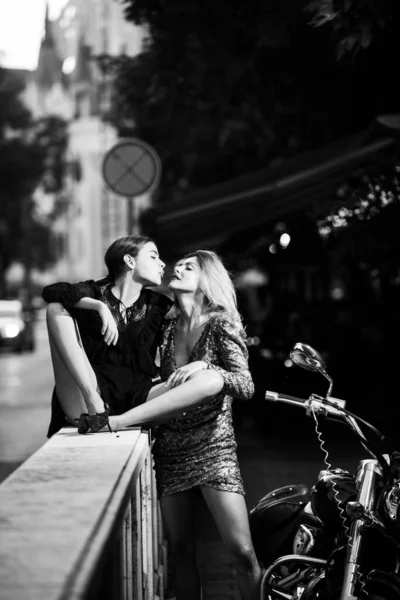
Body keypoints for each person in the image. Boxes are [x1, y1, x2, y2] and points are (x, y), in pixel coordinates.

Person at [91, 250, 262, 600]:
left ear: (205, 280)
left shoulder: (220, 322)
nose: (177, 269)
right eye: (178, 264)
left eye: (189, 267)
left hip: (214, 450)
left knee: (242, 552)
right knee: (181, 552)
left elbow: (246, 385)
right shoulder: (167, 324)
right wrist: (96, 308)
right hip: (171, 450)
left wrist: (205, 368)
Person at [42, 235, 223, 436]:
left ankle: (117, 421)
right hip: (90, 395)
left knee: (209, 379)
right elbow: (52, 291)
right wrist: (99, 306)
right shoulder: (93, 292)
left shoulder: (160, 306)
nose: (162, 264)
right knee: (55, 308)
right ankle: (96, 407)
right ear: (130, 261)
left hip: (140, 399)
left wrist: (203, 364)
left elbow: (195, 313)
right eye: (153, 256)